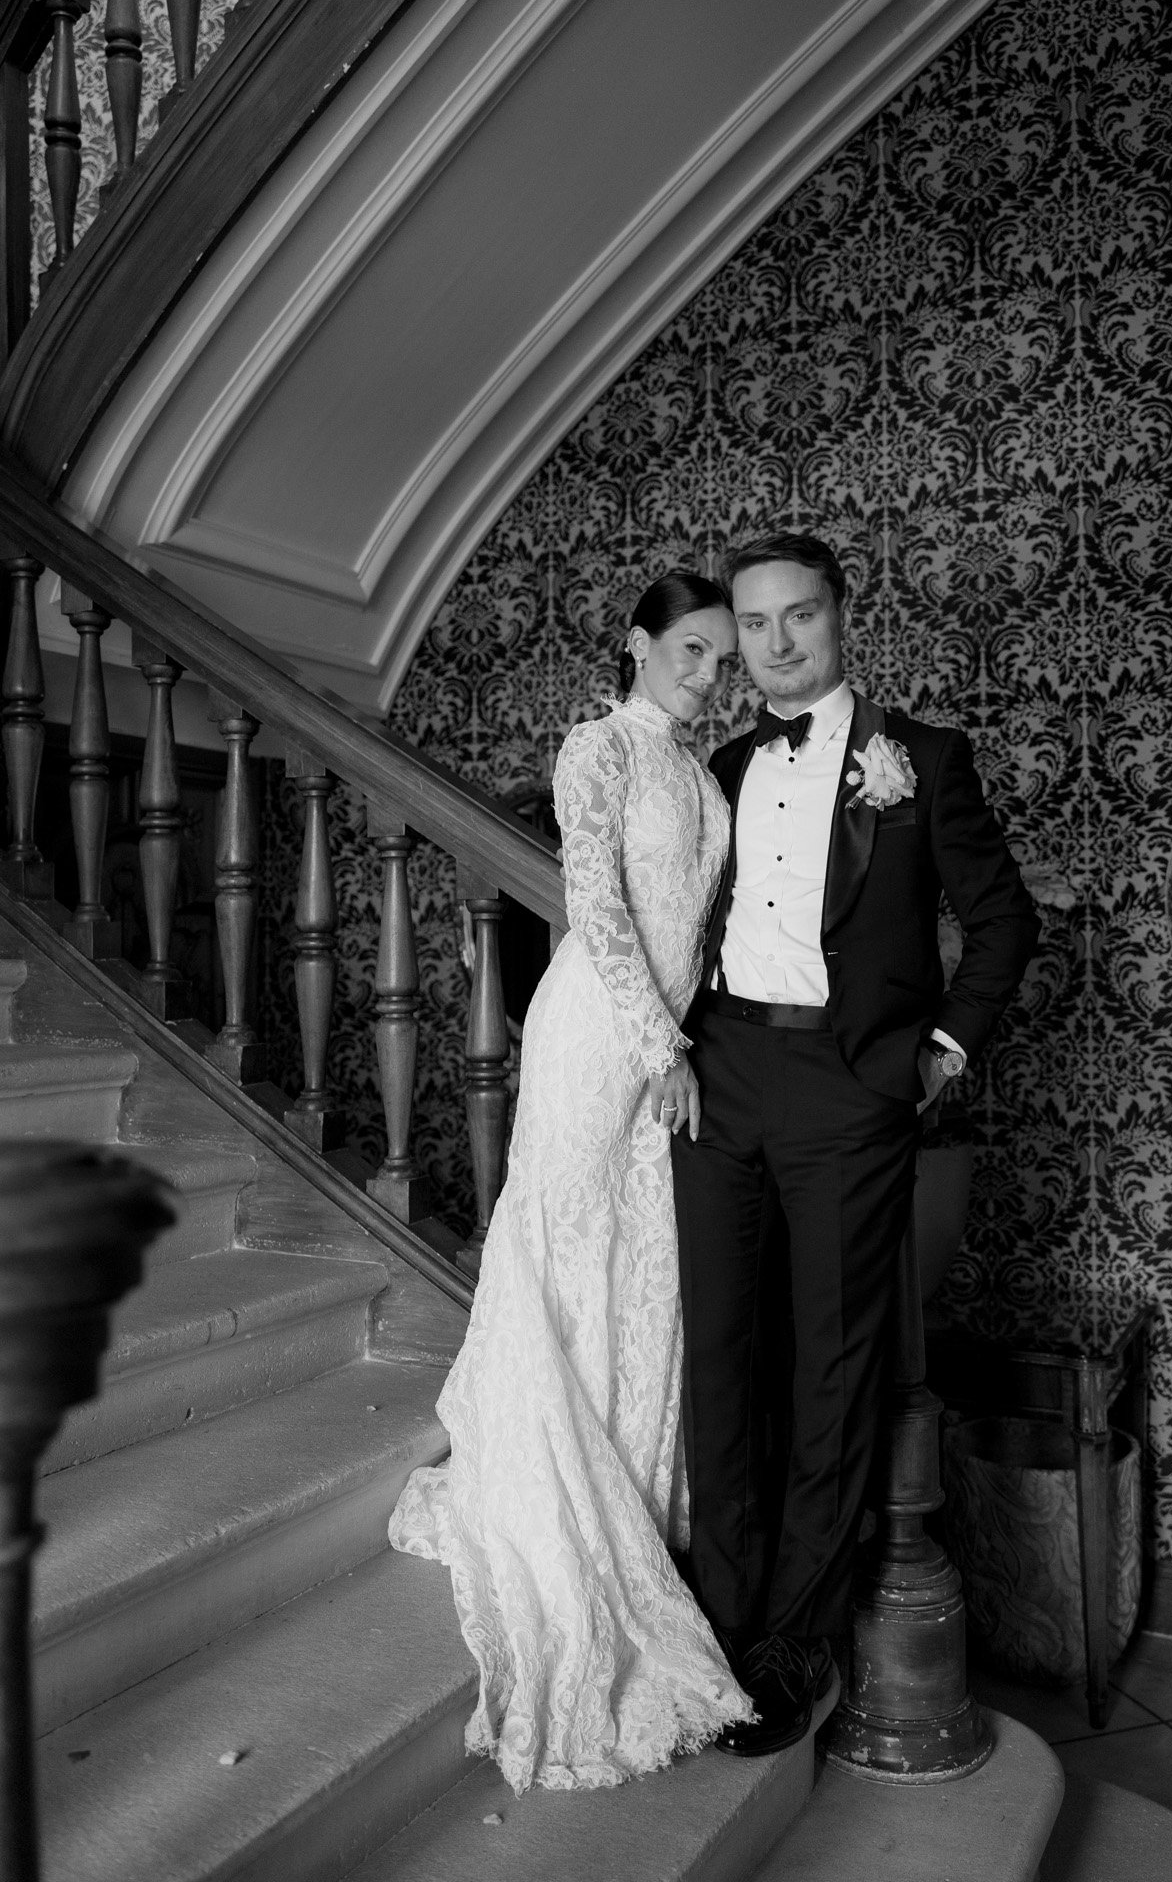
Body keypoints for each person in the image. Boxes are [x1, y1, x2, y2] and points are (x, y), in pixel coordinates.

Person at [671, 533, 1041, 1755]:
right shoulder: (718, 765)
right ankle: (720, 1622)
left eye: (800, 617)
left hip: (849, 1087)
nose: (776, 642)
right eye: (756, 621)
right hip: (723, 1074)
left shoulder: (922, 760)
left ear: (841, 617)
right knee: (722, 1361)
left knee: (832, 1371)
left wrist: (937, 1049)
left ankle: (790, 1640)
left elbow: (1003, 922)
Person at [389, 570, 753, 1793]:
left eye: (720, 659)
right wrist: (660, 1050)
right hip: (598, 1034)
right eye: (690, 651)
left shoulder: (705, 776)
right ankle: (561, 1504)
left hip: (670, 1046)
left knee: (640, 1264)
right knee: (573, 1243)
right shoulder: (596, 747)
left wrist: (689, 1047)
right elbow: (594, 906)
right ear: (639, 645)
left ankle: (636, 1505)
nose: (709, 675)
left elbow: (706, 932)